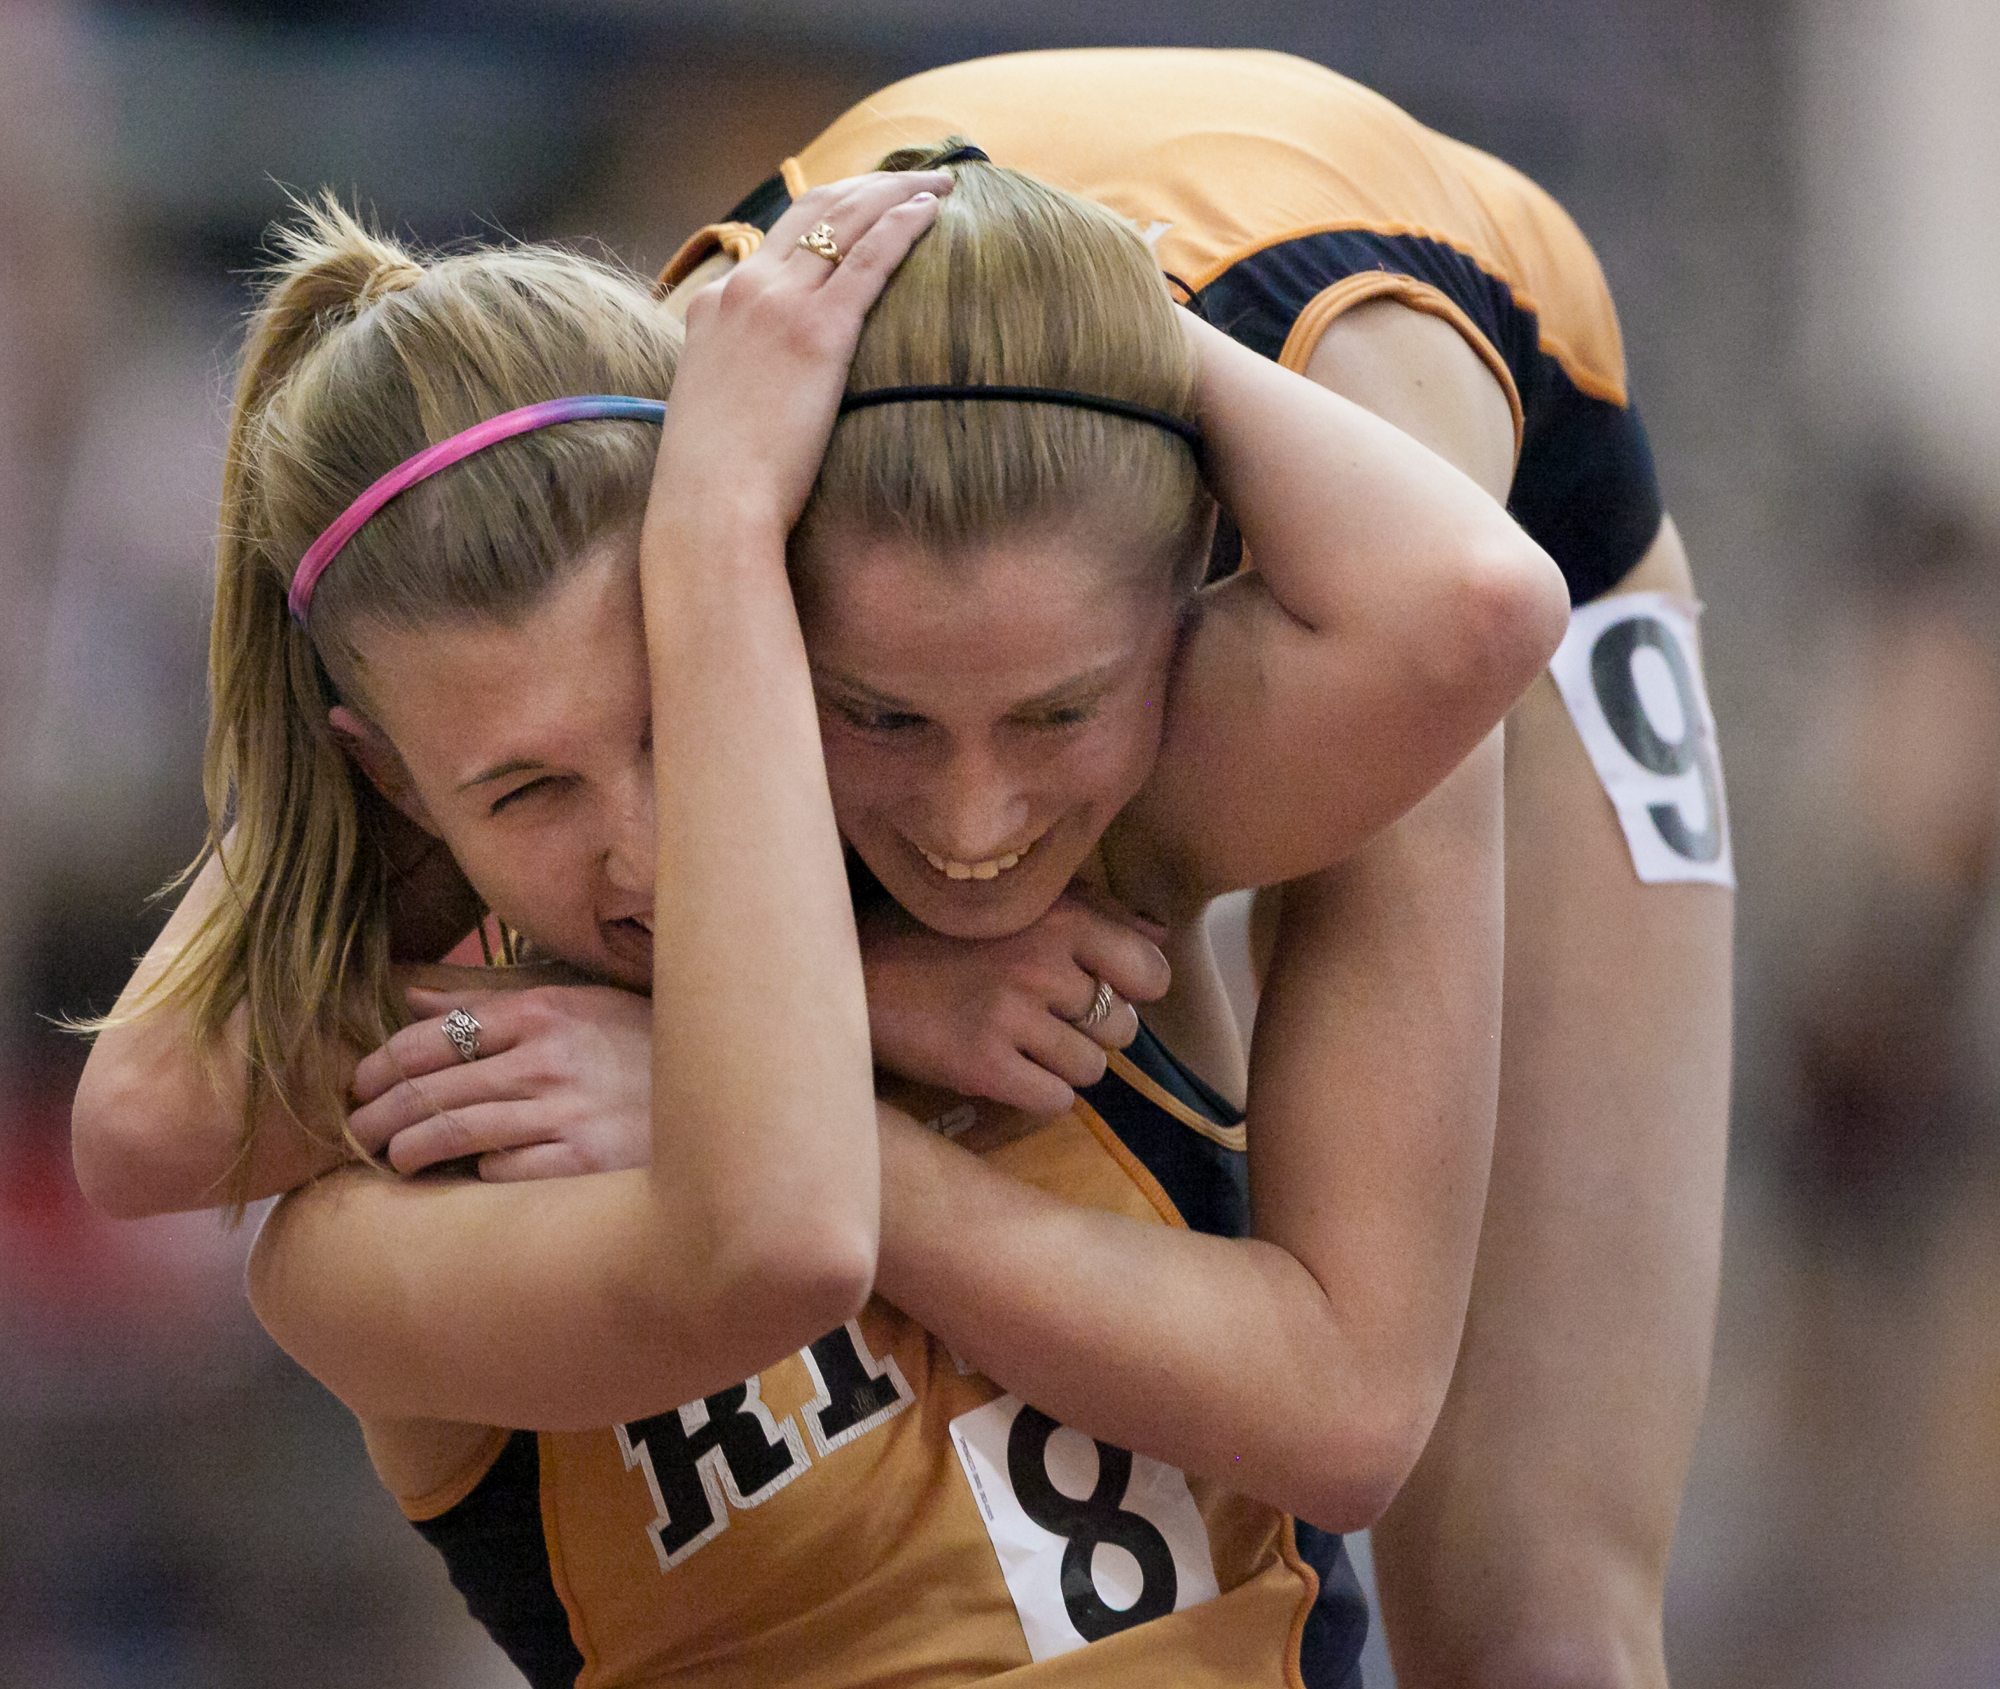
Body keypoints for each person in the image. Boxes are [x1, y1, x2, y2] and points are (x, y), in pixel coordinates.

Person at [72, 161, 1563, 1685]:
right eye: (526, 792)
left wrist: (1086, 302)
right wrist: (811, 1026)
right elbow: (137, 1124)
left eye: (676, 718)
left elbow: (1469, 610)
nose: (644, 852)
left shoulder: (1013, 860)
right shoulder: (378, 1216)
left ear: (776, 615)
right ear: (399, 791)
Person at [657, 50, 1737, 1689]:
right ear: (761, 601)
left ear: (1187, 603)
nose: (968, 824)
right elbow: (217, 1050)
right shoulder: (637, 542)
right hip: (962, 457)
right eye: (876, 715)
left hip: (1503, 495)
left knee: (1539, 1628)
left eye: (1055, 713)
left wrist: (788, 1104)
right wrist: (860, 989)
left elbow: (1350, 1404)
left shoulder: (1345, 673)